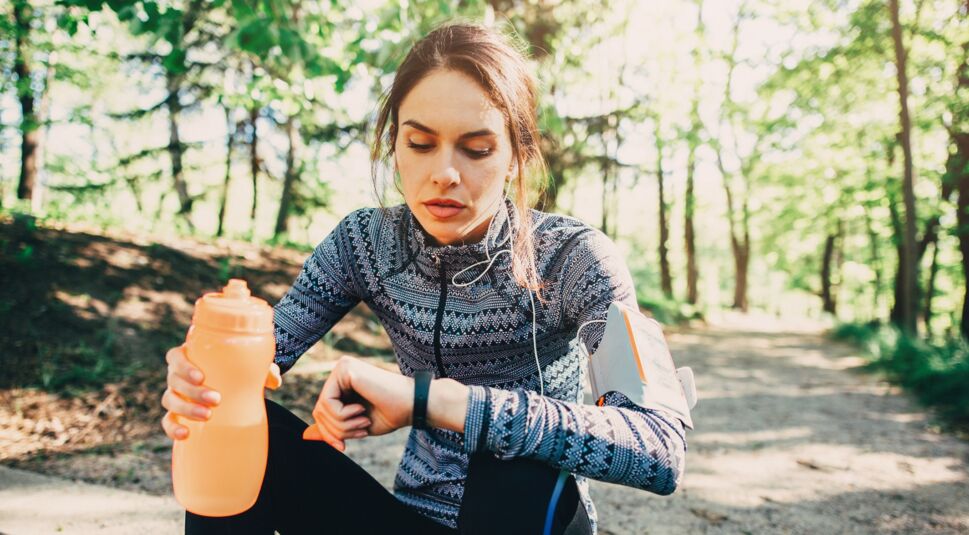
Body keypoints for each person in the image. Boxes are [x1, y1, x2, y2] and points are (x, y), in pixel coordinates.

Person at [160, 22, 687, 535]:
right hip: (407, 518)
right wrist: (201, 382)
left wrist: (433, 401)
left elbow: (659, 446)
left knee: (514, 470)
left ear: (516, 157)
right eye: (419, 143)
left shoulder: (573, 256)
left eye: (476, 149)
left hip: (529, 515)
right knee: (238, 420)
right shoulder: (365, 243)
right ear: (395, 146)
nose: (444, 174)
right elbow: (260, 353)